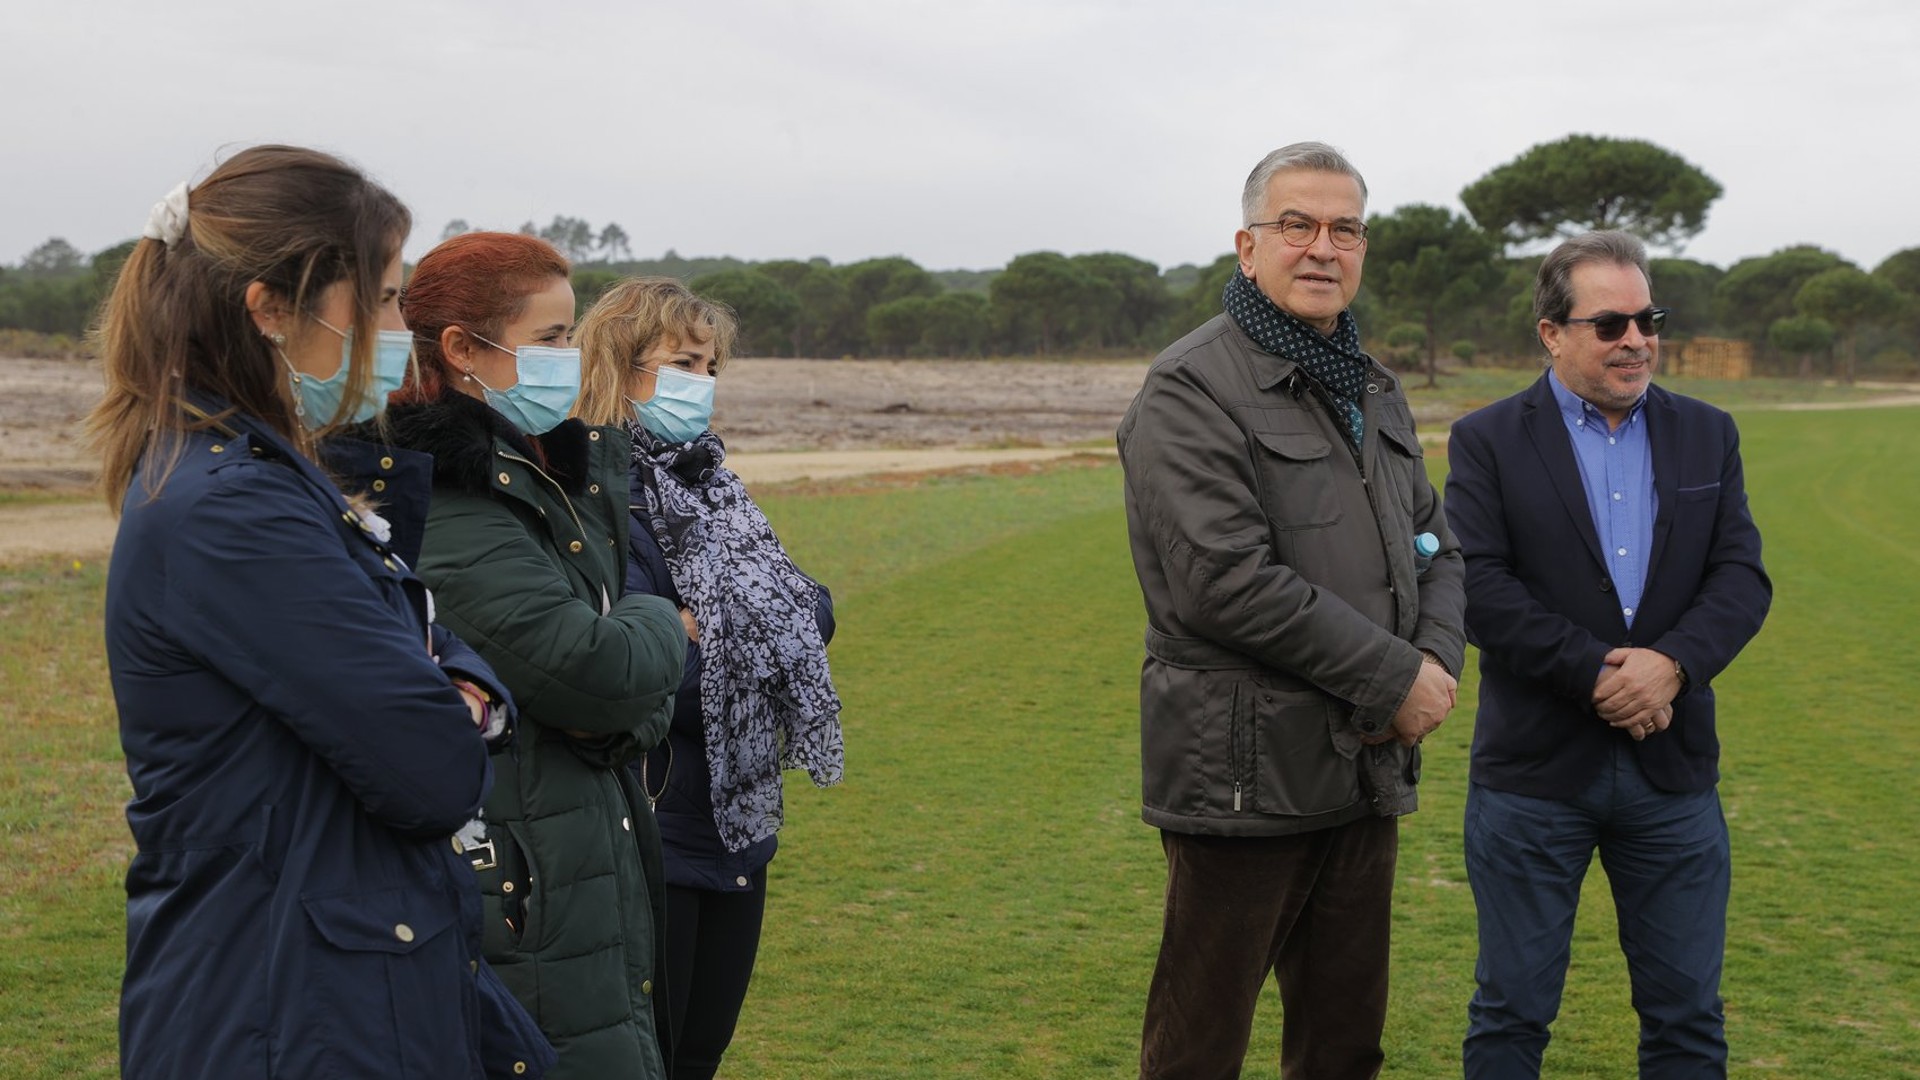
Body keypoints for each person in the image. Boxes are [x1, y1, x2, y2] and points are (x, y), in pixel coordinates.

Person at [90, 145, 553, 1079]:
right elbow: (429, 769)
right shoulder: (233, 512)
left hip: (328, 982)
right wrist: (448, 698)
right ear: (270, 309)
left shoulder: (268, 481)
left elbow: (429, 648)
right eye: (382, 298)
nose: (398, 325)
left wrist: (450, 682)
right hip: (288, 1010)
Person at [1116, 141, 1466, 1080]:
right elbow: (1223, 580)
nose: (1323, 247)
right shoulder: (1190, 387)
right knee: (1201, 1047)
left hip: (1364, 767)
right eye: (1297, 225)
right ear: (1247, 245)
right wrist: (1397, 678)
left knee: (1344, 1043)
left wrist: (1432, 667)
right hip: (1244, 772)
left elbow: (1436, 548)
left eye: (1345, 228)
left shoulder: (1371, 386)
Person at [1444, 230, 1772, 1078]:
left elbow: (1740, 576)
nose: (1637, 339)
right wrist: (1596, 673)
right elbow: (1480, 586)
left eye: (1648, 317)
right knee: (1511, 1015)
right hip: (1533, 778)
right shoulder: (1486, 440)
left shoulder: (1709, 433)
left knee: (1689, 1019)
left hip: (1673, 772)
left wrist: (1673, 665)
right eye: (1610, 324)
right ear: (1552, 334)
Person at [376, 235, 688, 1079]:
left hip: (578, 850)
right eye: (551, 338)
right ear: (463, 350)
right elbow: (596, 669)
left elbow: (624, 699)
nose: (572, 356)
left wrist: (627, 696)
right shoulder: (448, 499)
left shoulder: (543, 472)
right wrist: (662, 616)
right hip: (523, 881)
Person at [572, 277, 844, 1080]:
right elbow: (653, 675)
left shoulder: (713, 486)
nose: (701, 384)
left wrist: (719, 627)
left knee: (700, 1055)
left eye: (711, 367)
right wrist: (752, 629)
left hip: (737, 826)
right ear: (620, 368)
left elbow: (814, 609)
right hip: (652, 824)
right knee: (648, 1057)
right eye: (682, 362)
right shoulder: (596, 498)